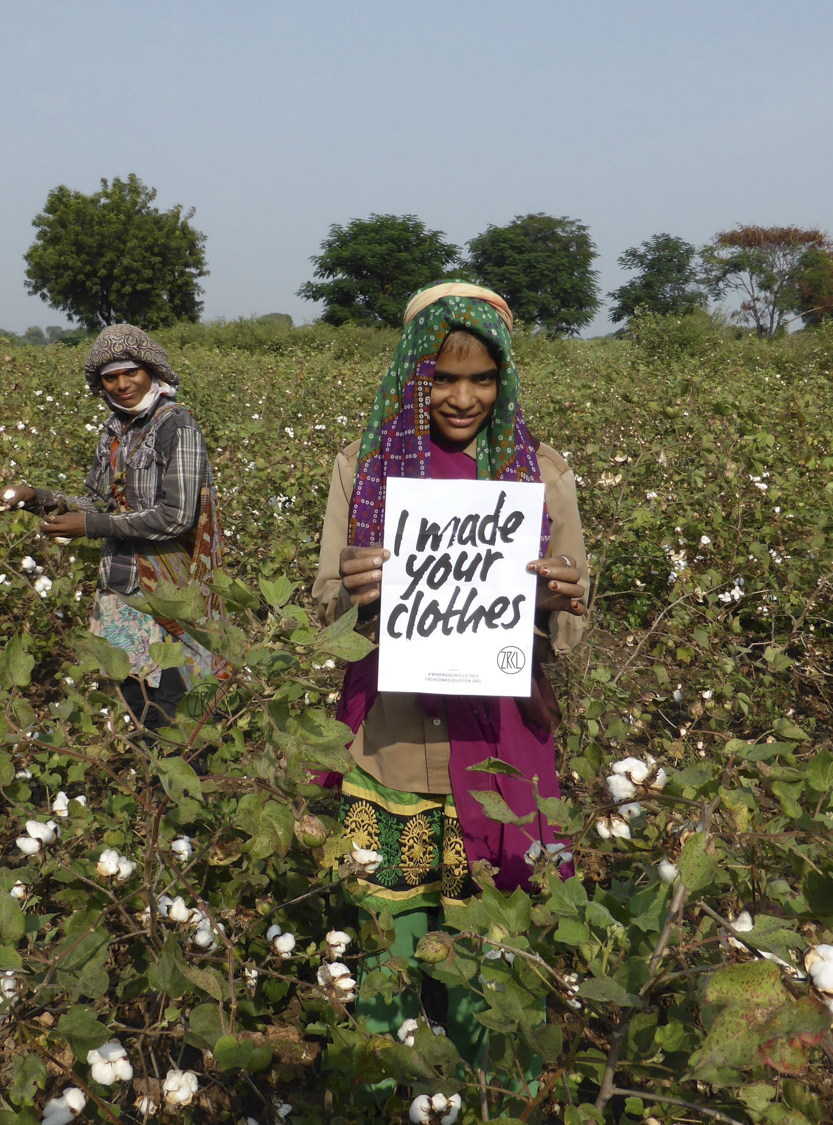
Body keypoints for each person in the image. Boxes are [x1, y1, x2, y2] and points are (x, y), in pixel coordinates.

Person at [312, 281, 588, 1075]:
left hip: (500, 746)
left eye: (483, 378)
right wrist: (353, 588)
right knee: (385, 947)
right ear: (412, 371)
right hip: (390, 744)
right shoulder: (361, 469)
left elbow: (572, 627)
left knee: (493, 948)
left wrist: (560, 592)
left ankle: (497, 1088)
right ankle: (386, 1083)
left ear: (505, 379)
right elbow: (322, 611)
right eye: (443, 375)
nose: (463, 397)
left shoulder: (540, 473)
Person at [0, 324, 226, 728]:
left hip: (171, 591)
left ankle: (185, 785)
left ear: (151, 371)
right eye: (110, 377)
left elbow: (177, 515)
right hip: (122, 590)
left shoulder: (178, 427)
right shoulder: (113, 433)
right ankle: (152, 785)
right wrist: (37, 497)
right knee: (136, 700)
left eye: (130, 373)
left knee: (177, 709)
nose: (122, 385)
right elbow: (97, 502)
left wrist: (92, 525)